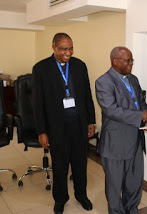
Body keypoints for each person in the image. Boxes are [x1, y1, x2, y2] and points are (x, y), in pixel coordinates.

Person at [32, 33, 96, 214]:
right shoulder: (41, 69)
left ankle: (81, 195)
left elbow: (87, 96)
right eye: (63, 49)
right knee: (60, 166)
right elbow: (38, 103)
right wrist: (42, 131)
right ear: (53, 48)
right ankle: (60, 199)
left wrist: (91, 120)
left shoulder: (79, 66)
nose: (68, 52)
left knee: (80, 164)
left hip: (78, 124)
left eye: (70, 48)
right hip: (56, 127)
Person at [95, 47, 147, 214]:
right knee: (115, 186)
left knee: (135, 181)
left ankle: (132, 209)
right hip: (116, 142)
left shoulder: (133, 79)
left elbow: (140, 101)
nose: (131, 64)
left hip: (135, 139)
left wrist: (146, 117)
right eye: (127, 60)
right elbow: (112, 110)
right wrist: (140, 115)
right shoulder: (103, 82)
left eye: (132, 60)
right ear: (115, 61)